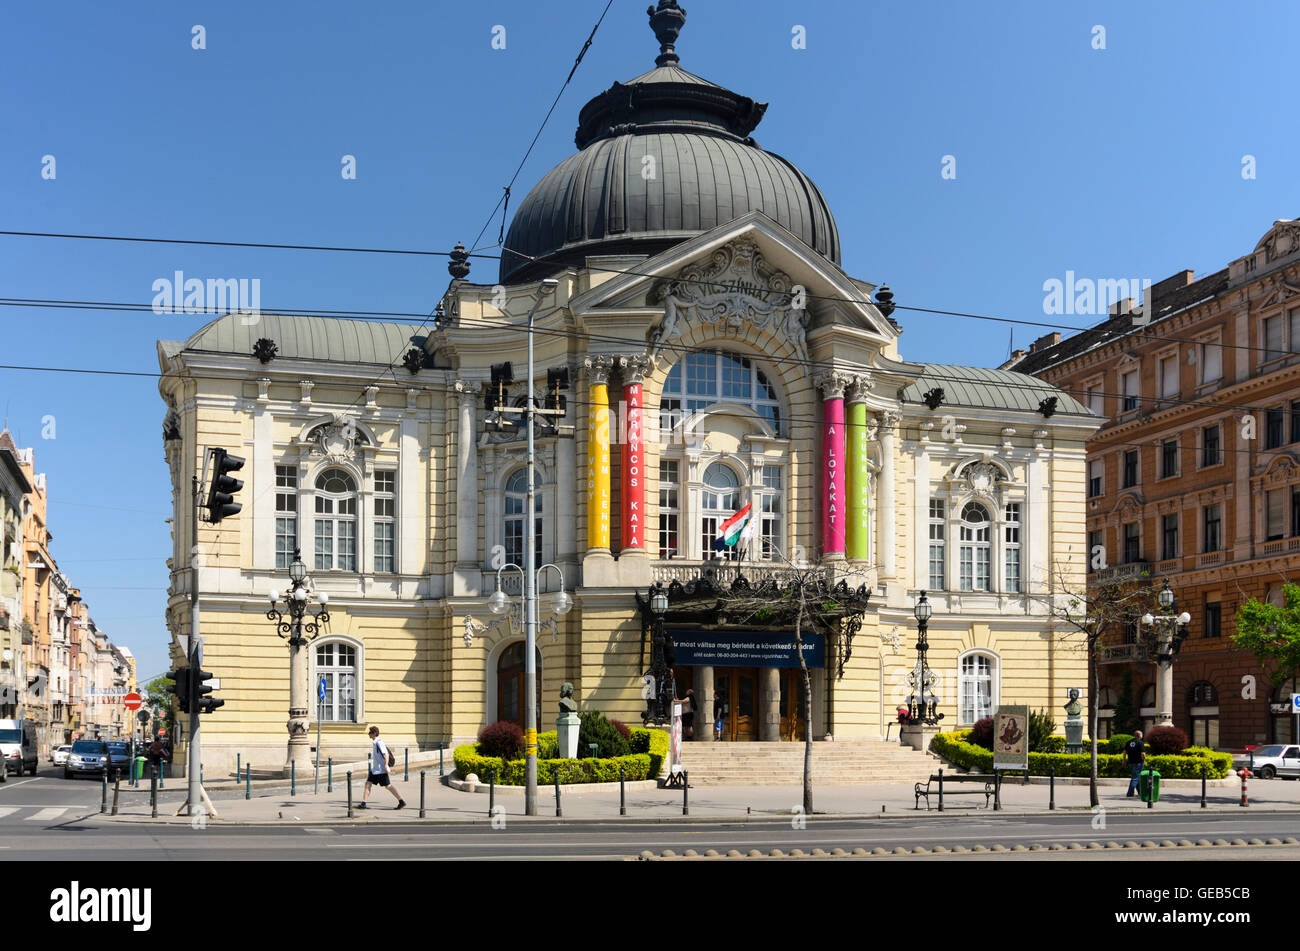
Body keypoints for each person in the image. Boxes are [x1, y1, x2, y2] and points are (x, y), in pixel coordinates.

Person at [358, 725, 405, 810]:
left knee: (388, 786)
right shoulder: (375, 742)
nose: (368, 734)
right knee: (368, 783)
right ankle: (363, 803)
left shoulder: (379, 742)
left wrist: (386, 765)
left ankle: (401, 801)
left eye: (370, 732)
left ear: (374, 733)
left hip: (381, 770)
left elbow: (386, 754)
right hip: (375, 770)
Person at [1124, 730, 1146, 797]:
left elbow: (1124, 752)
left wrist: (1124, 760)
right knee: (1135, 778)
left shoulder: (1129, 742)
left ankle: (1140, 792)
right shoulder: (1140, 742)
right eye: (1142, 734)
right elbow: (1143, 754)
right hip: (1138, 762)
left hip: (1131, 762)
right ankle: (1130, 793)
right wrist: (1143, 760)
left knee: (1137, 777)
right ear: (1139, 735)